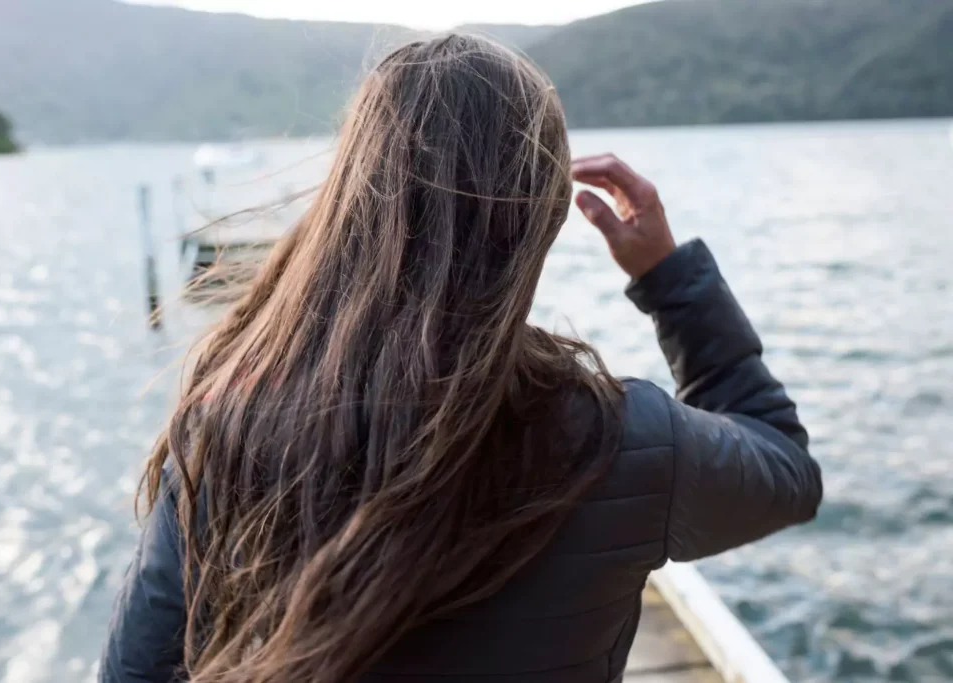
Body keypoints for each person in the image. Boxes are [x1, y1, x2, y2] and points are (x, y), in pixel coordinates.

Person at [101, 34, 822, 683]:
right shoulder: (627, 439)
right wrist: (667, 276)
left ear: (351, 195)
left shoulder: (230, 425)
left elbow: (134, 670)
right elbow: (786, 469)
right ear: (541, 214)